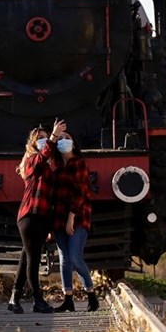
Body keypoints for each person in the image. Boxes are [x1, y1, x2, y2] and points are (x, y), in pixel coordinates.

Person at [8, 119, 66, 314]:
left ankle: (14, 298)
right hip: (29, 215)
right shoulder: (32, 161)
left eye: (45, 138)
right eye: (39, 138)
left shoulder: (52, 164)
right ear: (33, 143)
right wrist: (53, 136)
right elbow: (42, 157)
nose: (43, 141)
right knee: (33, 259)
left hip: (42, 217)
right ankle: (38, 301)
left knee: (26, 257)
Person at [50, 129, 99, 312]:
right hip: (58, 218)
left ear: (73, 143)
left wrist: (71, 217)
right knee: (64, 260)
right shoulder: (56, 168)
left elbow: (81, 192)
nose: (63, 140)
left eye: (67, 138)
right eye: (60, 138)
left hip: (77, 216)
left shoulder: (79, 163)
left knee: (76, 258)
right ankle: (68, 300)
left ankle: (91, 295)